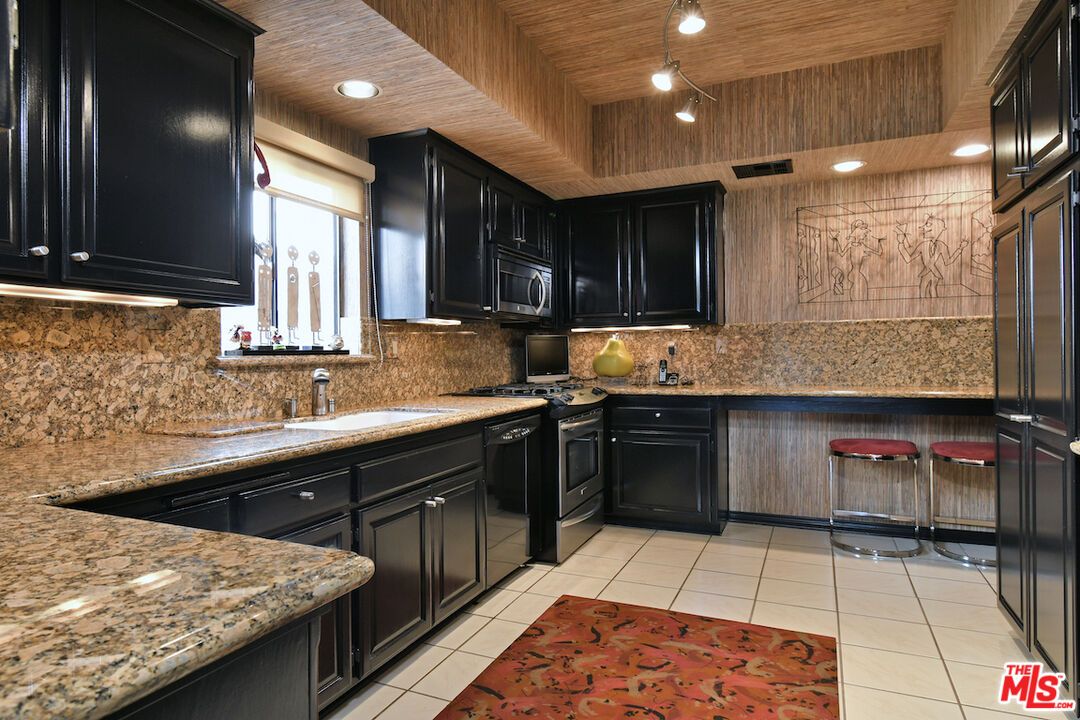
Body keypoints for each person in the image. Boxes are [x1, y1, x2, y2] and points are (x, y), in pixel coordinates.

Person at [896, 214, 967, 298]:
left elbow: (948, 261)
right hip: (928, 274)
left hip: (935, 275)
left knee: (933, 290)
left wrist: (960, 249)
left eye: (928, 225)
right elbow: (908, 258)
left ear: (938, 228)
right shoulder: (923, 245)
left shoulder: (942, 245)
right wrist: (901, 243)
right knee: (923, 290)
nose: (923, 228)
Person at [832, 219, 882, 301]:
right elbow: (841, 253)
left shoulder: (862, 246)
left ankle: (856, 301)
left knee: (862, 286)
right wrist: (836, 240)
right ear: (858, 233)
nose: (865, 236)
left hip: (856, 272)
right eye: (864, 234)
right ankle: (855, 301)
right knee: (862, 286)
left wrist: (879, 242)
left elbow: (878, 252)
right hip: (854, 273)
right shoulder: (851, 245)